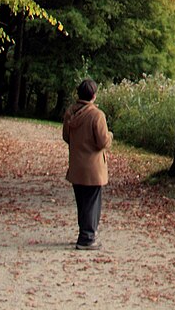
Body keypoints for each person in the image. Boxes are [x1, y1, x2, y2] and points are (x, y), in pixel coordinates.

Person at [62, 78, 112, 249]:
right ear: (94, 95)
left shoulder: (70, 113)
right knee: (92, 202)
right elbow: (102, 142)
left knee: (82, 202)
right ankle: (87, 238)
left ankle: (84, 233)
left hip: (76, 164)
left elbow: (66, 137)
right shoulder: (97, 115)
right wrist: (110, 135)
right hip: (93, 167)